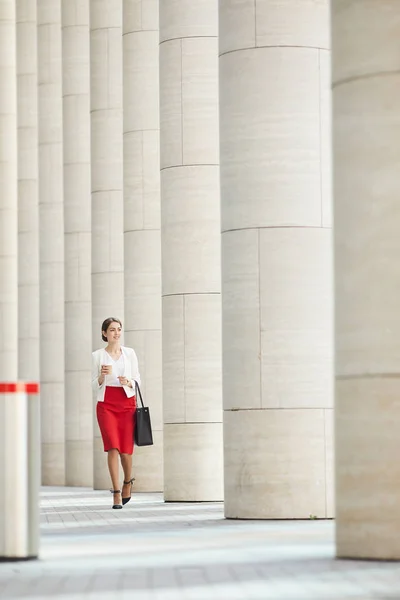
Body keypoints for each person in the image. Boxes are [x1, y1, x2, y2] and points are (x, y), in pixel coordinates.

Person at [92, 317, 141, 509]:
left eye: (119, 329)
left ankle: (127, 481)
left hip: (126, 402)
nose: (116, 333)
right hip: (106, 404)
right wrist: (102, 376)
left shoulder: (129, 353)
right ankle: (116, 493)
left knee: (126, 452)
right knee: (112, 447)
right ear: (104, 333)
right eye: (112, 330)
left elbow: (137, 378)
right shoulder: (97, 355)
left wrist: (128, 382)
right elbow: (92, 384)